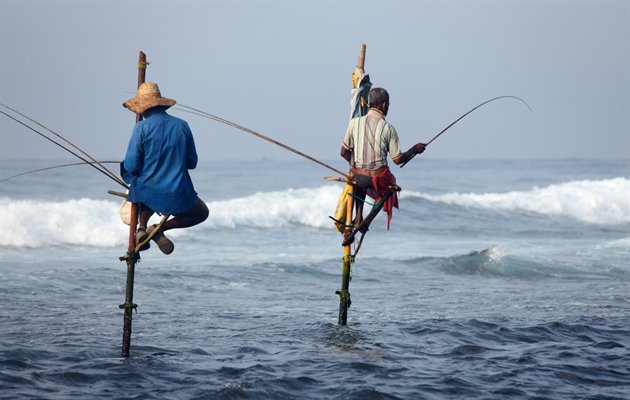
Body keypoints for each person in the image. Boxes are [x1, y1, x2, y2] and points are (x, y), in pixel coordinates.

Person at [121, 82, 209, 254]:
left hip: (147, 191)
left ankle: (142, 227)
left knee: (146, 190)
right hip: (178, 192)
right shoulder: (182, 125)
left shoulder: (141, 128)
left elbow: (131, 165)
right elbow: (192, 162)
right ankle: (158, 228)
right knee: (201, 213)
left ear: (142, 107)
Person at [340, 87, 426, 232]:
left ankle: (358, 218)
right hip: (377, 179)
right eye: (388, 105)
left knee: (357, 179)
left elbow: (343, 152)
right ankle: (366, 222)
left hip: (359, 177)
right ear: (384, 104)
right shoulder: (388, 128)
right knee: (389, 189)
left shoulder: (354, 123)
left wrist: (355, 165)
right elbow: (397, 160)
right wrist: (414, 150)